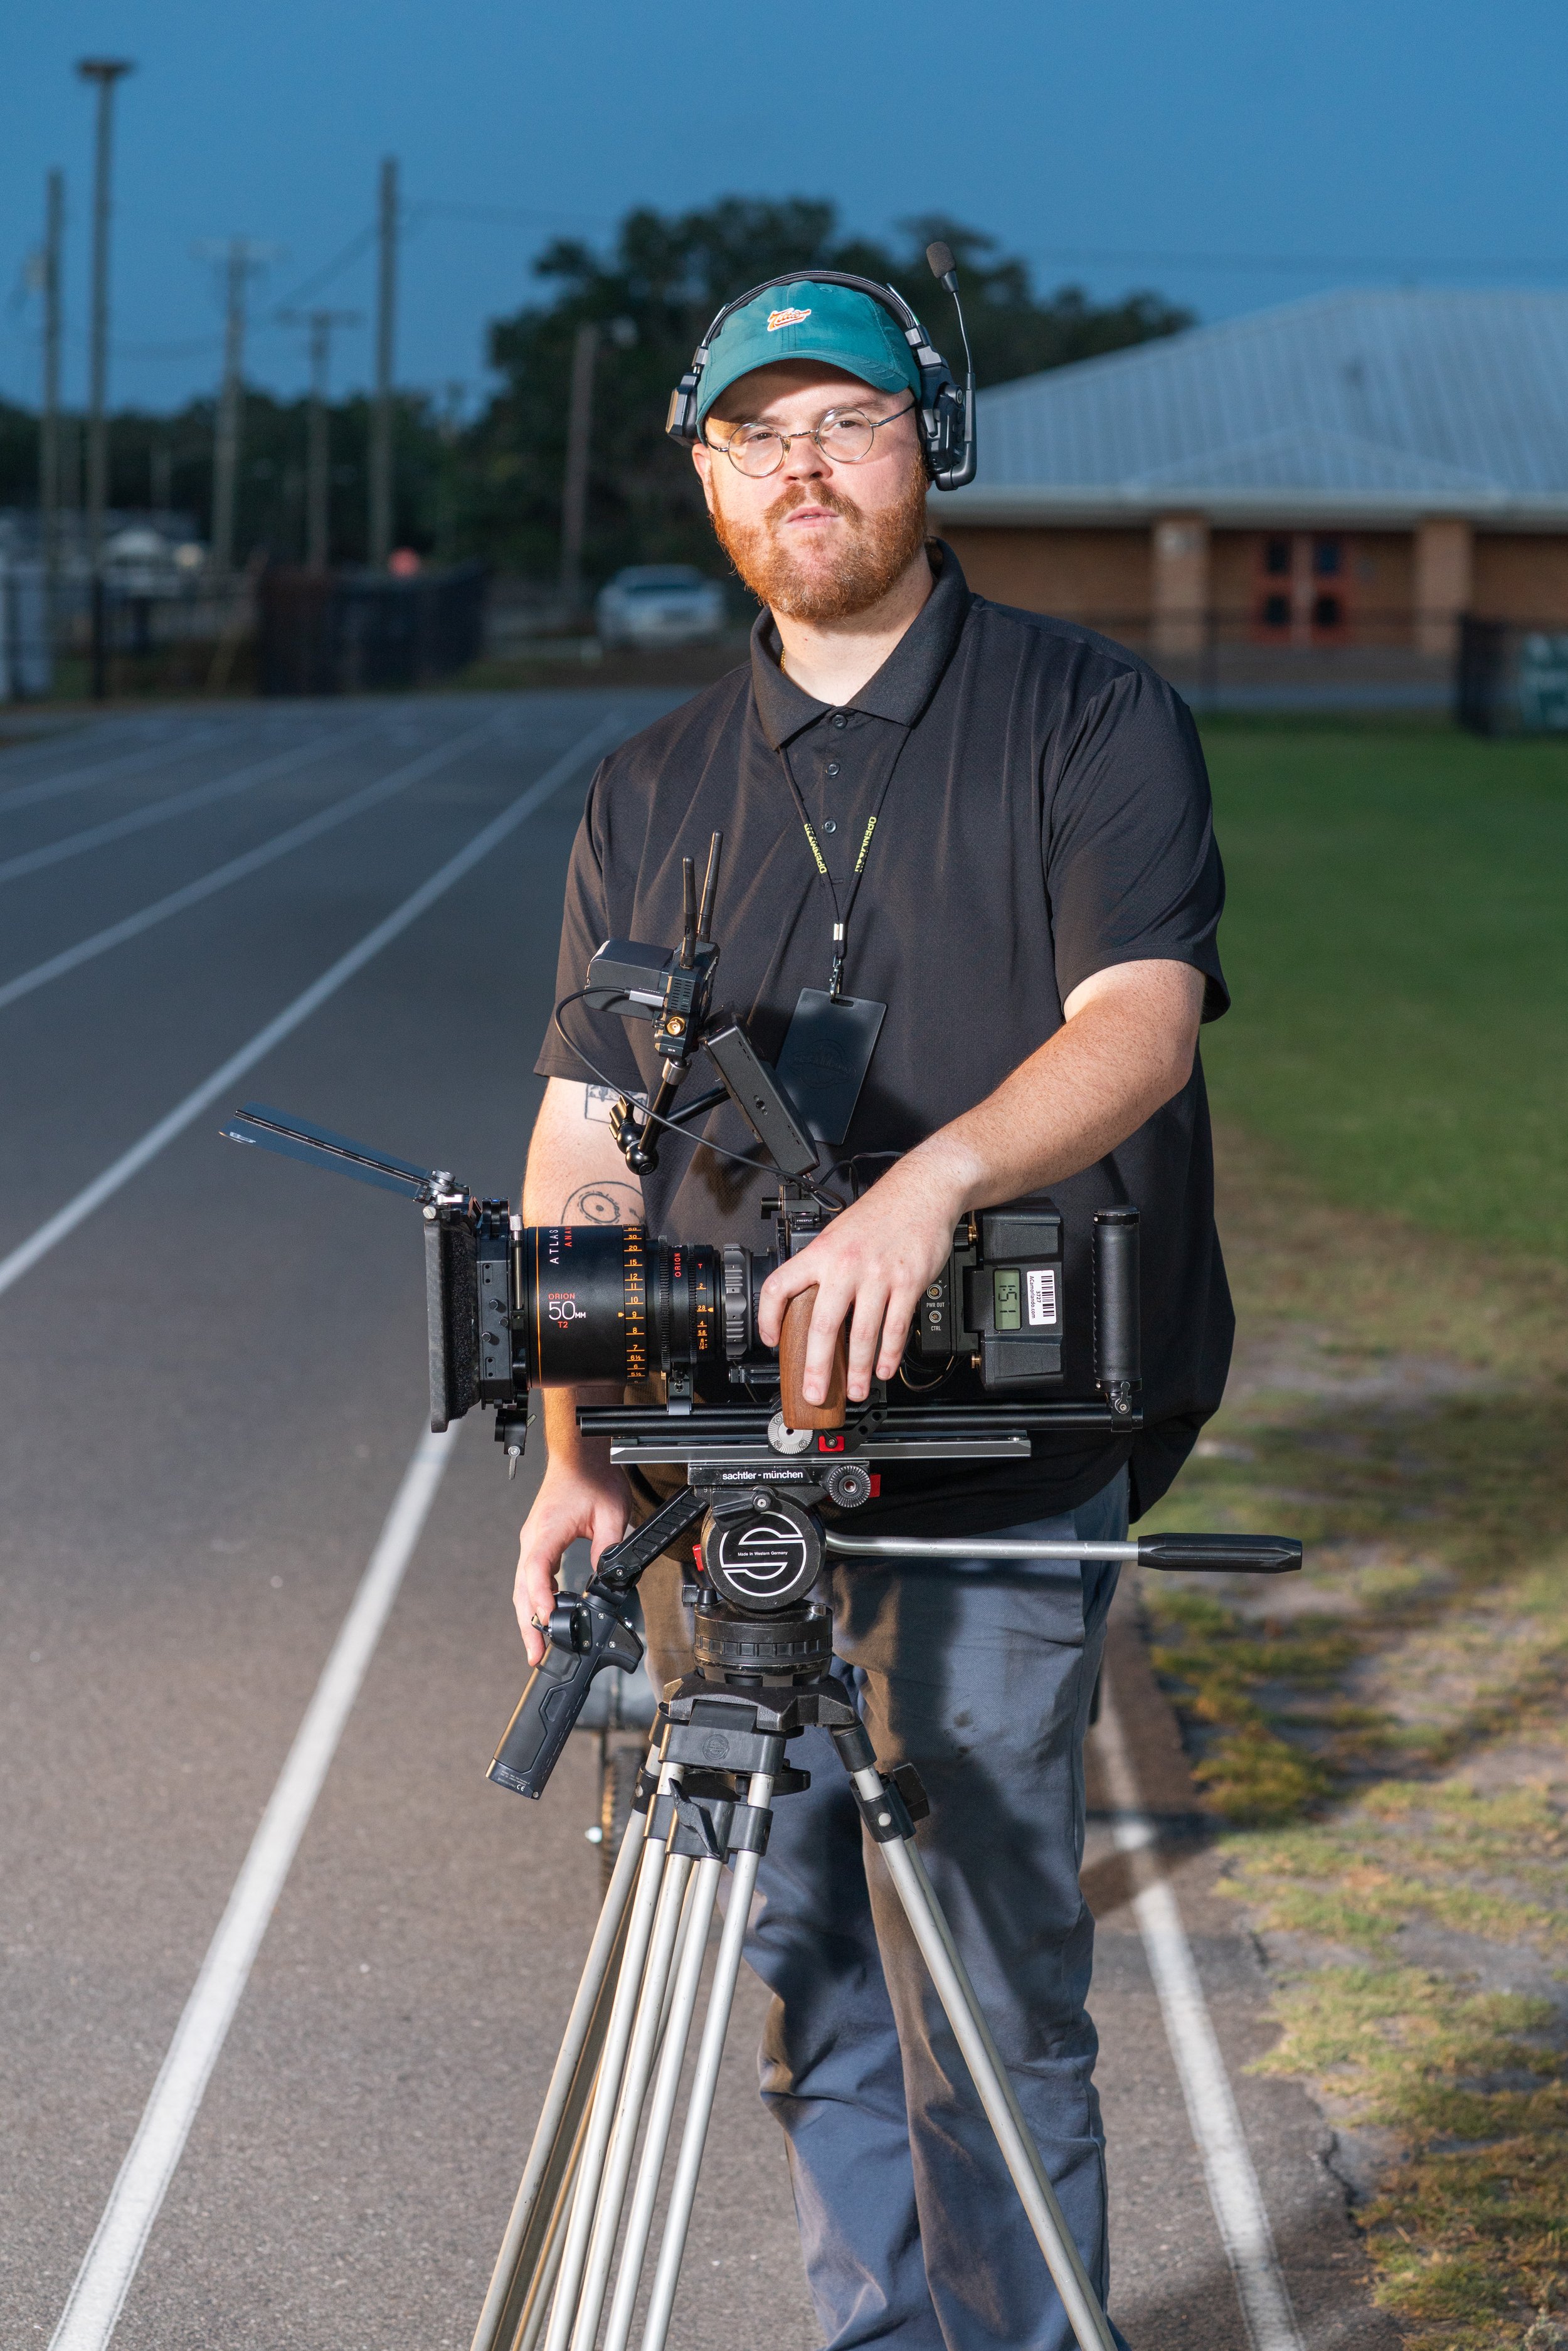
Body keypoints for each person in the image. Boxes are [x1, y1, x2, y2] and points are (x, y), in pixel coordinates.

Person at [516, 273, 1231, 2351]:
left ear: (937, 444)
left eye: (846, 420)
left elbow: (1140, 1023)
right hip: (722, 1470)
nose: (800, 468)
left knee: (986, 1978)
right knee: (805, 1954)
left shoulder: (1090, 717)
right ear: (702, 474)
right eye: (753, 435)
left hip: (997, 1459)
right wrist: (574, 1458)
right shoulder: (646, 786)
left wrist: (932, 1184)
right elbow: (581, 1142)